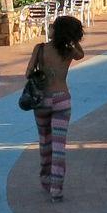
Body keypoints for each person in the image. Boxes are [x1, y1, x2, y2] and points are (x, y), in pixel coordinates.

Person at [28, 14, 85, 202]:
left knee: (45, 142)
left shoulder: (40, 49)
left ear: (57, 31)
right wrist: (71, 40)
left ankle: (45, 179)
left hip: (43, 100)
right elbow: (81, 54)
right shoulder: (69, 51)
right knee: (59, 146)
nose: (49, 29)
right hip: (62, 99)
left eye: (52, 27)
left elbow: (28, 73)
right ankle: (56, 189)